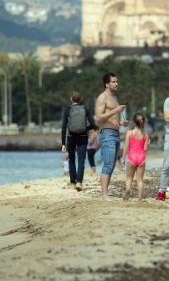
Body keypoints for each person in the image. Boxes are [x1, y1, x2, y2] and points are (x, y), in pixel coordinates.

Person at [94, 72, 127, 200]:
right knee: (108, 164)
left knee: (112, 165)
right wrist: (116, 110)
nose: (116, 83)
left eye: (116, 81)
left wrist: (120, 123)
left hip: (115, 132)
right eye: (113, 82)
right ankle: (104, 195)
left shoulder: (114, 98)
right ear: (107, 84)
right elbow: (98, 117)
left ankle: (105, 193)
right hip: (106, 133)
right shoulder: (102, 97)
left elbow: (111, 118)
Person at [61, 91, 96, 192]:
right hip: (83, 136)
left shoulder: (67, 110)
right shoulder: (85, 108)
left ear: (71, 99)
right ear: (80, 99)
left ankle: (72, 182)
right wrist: (85, 129)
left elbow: (63, 127)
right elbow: (93, 124)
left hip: (71, 137)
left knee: (71, 159)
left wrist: (63, 143)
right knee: (81, 160)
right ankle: (79, 182)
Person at [121, 113, 149, 202]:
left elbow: (126, 146)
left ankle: (128, 189)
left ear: (134, 122)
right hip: (141, 158)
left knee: (129, 178)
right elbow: (145, 149)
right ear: (143, 122)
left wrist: (123, 158)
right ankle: (140, 199)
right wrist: (148, 143)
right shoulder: (145, 135)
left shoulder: (129, 133)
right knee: (140, 180)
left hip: (132, 157)